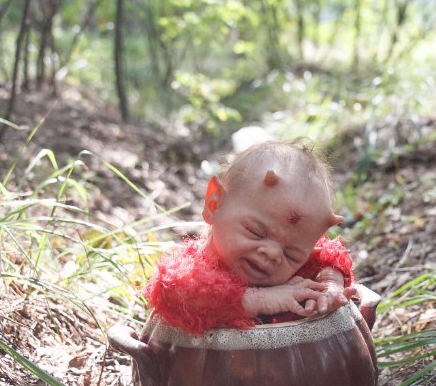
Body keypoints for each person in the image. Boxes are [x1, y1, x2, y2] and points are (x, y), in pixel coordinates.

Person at [144, 140, 355, 334]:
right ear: (215, 203)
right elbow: (171, 294)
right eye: (256, 232)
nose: (273, 254)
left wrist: (329, 284)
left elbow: (326, 260)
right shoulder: (193, 269)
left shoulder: (298, 269)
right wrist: (258, 299)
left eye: (291, 254)